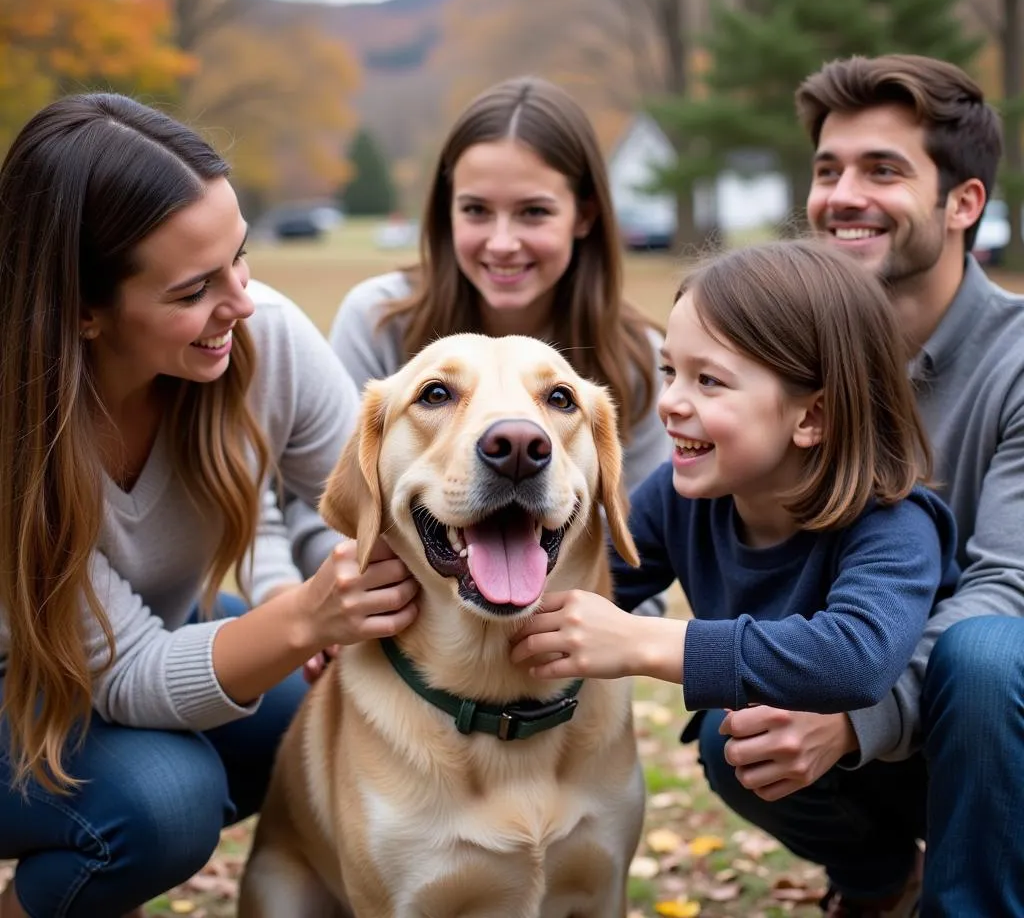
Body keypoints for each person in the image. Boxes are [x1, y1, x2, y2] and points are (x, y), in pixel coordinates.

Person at [0, 93, 419, 918]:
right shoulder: (18, 429)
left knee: (308, 725)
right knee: (165, 803)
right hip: (19, 681)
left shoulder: (264, 340)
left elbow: (380, 499)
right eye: (194, 289)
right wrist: (304, 618)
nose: (241, 300)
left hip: (127, 648)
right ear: (83, 311)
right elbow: (125, 675)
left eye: (241, 258)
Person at [676, 55, 1024, 918]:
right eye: (827, 170)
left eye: (883, 169)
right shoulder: (776, 368)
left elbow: (1009, 589)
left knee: (981, 659)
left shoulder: (1017, 365)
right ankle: (880, 882)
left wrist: (856, 715)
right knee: (740, 725)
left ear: (963, 204)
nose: (840, 195)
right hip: (886, 723)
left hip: (999, 723)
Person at [510, 239, 959, 832]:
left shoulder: (896, 524)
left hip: (945, 774)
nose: (670, 402)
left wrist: (648, 642)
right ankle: (878, 883)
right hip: (827, 771)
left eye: (710, 381)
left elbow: (856, 658)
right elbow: (594, 579)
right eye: (671, 370)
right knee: (734, 741)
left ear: (812, 417)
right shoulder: (680, 496)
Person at [286, 76, 672, 613]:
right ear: (447, 211)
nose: (502, 242)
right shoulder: (375, 319)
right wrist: (350, 601)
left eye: (534, 212)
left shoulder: (643, 357)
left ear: (583, 215)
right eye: (476, 210)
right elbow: (323, 501)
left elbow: (645, 552)